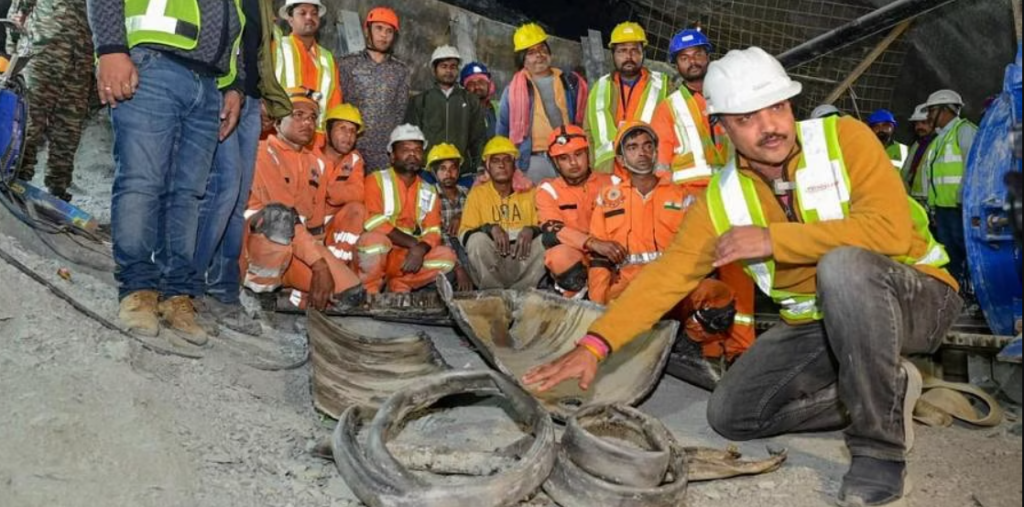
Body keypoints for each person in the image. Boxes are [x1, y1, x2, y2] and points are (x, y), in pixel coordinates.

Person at [524, 47, 959, 507]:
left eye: (777, 107)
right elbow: (668, 275)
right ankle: (886, 389)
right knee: (734, 413)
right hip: (821, 322)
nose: (769, 126)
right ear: (723, 126)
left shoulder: (843, 138)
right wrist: (596, 343)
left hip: (917, 297)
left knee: (844, 265)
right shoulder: (722, 196)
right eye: (747, 117)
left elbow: (889, 230)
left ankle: (879, 452)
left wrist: (774, 239)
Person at [91, 0, 245, 345]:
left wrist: (236, 83)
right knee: (142, 182)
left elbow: (235, 22)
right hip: (153, 65)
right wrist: (111, 48)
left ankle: (176, 295)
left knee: (187, 196)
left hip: (208, 85)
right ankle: (138, 291)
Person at [588, 121, 754, 359]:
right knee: (613, 316)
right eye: (633, 147)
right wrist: (596, 306)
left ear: (656, 152)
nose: (642, 152)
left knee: (720, 296)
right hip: (630, 289)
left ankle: (687, 341)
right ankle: (646, 340)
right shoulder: (609, 199)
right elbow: (599, 259)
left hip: (674, 287)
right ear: (622, 160)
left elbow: (700, 249)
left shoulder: (682, 196)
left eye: (647, 146)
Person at [191, 0, 292, 337]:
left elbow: (256, 47)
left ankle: (222, 292)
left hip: (249, 99)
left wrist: (264, 95)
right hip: (220, 90)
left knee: (236, 203)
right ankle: (187, 288)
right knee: (223, 189)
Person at [242, 89, 366, 311]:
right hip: (255, 250)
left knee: (351, 295)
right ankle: (256, 293)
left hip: (296, 250)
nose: (307, 122)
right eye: (298, 115)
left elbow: (315, 227)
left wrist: (323, 262)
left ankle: (291, 289)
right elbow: (284, 217)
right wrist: (319, 266)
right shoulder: (262, 152)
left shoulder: (317, 164)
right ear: (278, 121)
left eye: (312, 118)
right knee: (279, 218)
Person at [359, 124, 457, 293]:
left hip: (406, 258)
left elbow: (433, 231)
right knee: (374, 242)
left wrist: (421, 248)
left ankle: (400, 285)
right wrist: (413, 243)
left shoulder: (428, 190)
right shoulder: (375, 180)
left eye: (418, 150)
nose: (412, 154)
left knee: (447, 258)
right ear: (392, 156)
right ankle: (370, 292)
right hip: (382, 252)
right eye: (405, 149)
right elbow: (373, 221)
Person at [11, 0, 92, 201]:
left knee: (69, 128)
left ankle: (58, 189)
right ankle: (15, 179)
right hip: (42, 52)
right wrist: (14, 48)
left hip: (81, 59)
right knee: (29, 120)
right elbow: (19, 10)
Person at [497, 23, 588, 184]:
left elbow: (585, 121)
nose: (539, 55)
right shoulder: (512, 91)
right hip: (533, 162)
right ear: (522, 60)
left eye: (542, 49)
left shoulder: (570, 82)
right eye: (531, 52)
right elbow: (502, 134)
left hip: (568, 156)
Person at [536, 125, 616, 295]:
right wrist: (593, 244)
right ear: (556, 163)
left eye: (578, 154)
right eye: (564, 158)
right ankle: (576, 295)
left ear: (588, 154)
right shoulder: (548, 190)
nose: (573, 163)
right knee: (558, 256)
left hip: (614, 253)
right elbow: (553, 230)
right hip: (579, 256)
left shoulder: (613, 183)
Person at [459, 136, 545, 290]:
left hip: (523, 260)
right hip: (492, 263)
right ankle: (494, 294)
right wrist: (489, 228)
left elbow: (547, 226)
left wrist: (532, 230)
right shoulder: (477, 194)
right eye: (495, 161)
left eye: (507, 160)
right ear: (487, 166)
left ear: (514, 165)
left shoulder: (530, 192)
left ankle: (523, 294)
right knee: (476, 240)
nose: (501, 165)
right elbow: (464, 234)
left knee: (547, 241)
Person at [585, 22, 669, 174]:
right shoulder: (600, 87)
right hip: (608, 173)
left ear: (643, 53)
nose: (629, 57)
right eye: (622, 51)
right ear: (613, 54)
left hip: (648, 172)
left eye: (634, 51)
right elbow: (589, 133)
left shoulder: (663, 85)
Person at [649, 28, 726, 186]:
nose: (692, 62)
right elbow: (661, 165)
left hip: (730, 188)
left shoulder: (729, 98)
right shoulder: (667, 108)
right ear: (676, 65)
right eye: (684, 58)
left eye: (697, 54)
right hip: (688, 194)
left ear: (708, 57)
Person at [338, 6, 410, 173]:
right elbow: (338, 104)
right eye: (378, 28)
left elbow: (400, 112)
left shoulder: (401, 70)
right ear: (367, 30)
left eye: (389, 31)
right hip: (351, 147)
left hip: (384, 154)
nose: (384, 35)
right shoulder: (347, 64)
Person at [921, 89, 977, 287]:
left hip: (960, 207)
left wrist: (964, 199)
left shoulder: (964, 131)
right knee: (950, 256)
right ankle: (955, 294)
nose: (928, 115)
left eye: (931, 110)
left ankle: (973, 295)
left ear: (946, 110)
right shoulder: (940, 139)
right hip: (945, 209)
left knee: (967, 254)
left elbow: (974, 167)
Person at [405, 45, 486, 178]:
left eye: (453, 66)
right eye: (444, 66)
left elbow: (479, 138)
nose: (449, 71)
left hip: (462, 172)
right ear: (434, 69)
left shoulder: (471, 101)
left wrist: (480, 167)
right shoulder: (420, 101)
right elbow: (411, 139)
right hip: (427, 172)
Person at [273, 0, 341, 146]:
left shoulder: (327, 58)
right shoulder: (277, 47)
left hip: (316, 141)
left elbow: (334, 103)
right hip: (279, 137)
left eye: (314, 13)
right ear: (290, 19)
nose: (309, 17)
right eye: (302, 13)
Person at [426, 143, 474, 291]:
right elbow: (438, 237)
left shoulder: (468, 193)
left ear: (459, 171)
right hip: (442, 249)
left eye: (453, 168)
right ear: (434, 173)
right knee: (447, 277)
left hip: (466, 246)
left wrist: (462, 215)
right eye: (443, 169)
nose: (449, 173)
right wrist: (458, 267)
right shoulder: (429, 196)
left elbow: (478, 221)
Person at [901, 103, 936, 205]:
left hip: (930, 198)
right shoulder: (917, 144)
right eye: (917, 123)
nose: (919, 127)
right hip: (914, 195)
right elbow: (906, 171)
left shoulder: (938, 143)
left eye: (923, 123)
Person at [461, 62, 499, 139]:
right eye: (471, 84)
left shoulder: (500, 108)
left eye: (481, 82)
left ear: (489, 85)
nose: (477, 87)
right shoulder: (460, 112)